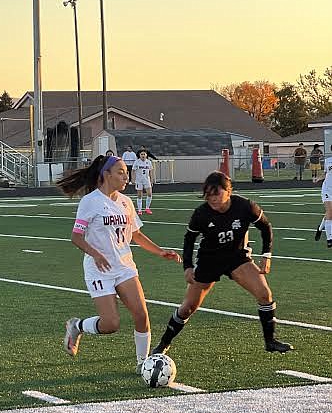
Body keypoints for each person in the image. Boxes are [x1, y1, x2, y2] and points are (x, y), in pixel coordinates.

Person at [58, 155, 181, 374]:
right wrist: (95, 254)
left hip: (124, 267)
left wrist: (161, 252)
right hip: (99, 269)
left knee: (142, 315)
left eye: (127, 172)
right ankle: (76, 326)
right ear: (106, 175)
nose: (126, 176)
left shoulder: (126, 202)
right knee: (110, 324)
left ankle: (142, 363)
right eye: (121, 172)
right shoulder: (90, 202)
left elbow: (136, 234)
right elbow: (76, 237)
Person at [151, 171, 293, 356]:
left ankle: (270, 341)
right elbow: (189, 239)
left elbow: (265, 227)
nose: (213, 199)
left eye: (216, 193)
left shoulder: (245, 206)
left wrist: (266, 255)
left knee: (264, 294)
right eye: (209, 195)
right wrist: (187, 266)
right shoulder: (201, 213)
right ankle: (163, 344)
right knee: (188, 308)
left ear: (228, 191)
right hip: (209, 260)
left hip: (237, 258)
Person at [313, 144, 332, 249]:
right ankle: (330, 239)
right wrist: (318, 179)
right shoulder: (328, 161)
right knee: (330, 213)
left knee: (330, 213)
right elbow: (325, 174)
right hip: (327, 190)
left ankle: (320, 229)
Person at [132, 150, 154, 214]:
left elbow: (150, 171)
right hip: (139, 180)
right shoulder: (137, 162)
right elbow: (133, 171)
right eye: (141, 154)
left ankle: (147, 208)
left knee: (149, 194)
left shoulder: (149, 162)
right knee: (139, 195)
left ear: (146, 155)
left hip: (147, 180)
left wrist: (152, 179)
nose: (143, 155)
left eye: (144, 154)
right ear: (139, 155)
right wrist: (133, 179)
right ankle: (139, 210)